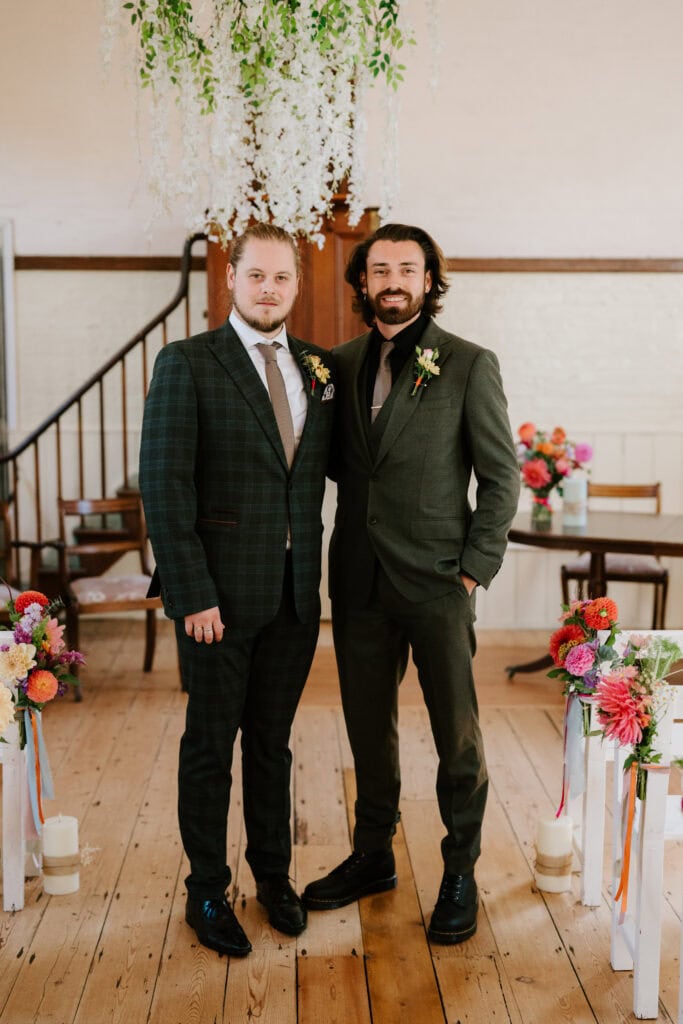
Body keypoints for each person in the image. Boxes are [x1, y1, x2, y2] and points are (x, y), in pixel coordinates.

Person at [302, 222, 519, 944]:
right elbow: (336, 464)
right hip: (358, 580)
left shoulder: (466, 363)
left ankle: (459, 870)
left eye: (407, 268)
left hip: (436, 581)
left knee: (456, 735)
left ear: (429, 280)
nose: (392, 279)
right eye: (379, 269)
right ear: (362, 282)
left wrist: (472, 569)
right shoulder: (337, 363)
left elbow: (499, 477)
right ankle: (372, 857)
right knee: (368, 729)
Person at [139, 223, 334, 957]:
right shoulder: (188, 363)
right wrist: (190, 594)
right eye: (256, 276)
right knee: (209, 748)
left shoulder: (316, 367)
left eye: (282, 278)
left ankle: (274, 877)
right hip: (215, 601)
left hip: (292, 599)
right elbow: (163, 485)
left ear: (295, 285)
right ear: (232, 278)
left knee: (274, 746)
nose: (269, 289)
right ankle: (207, 890)